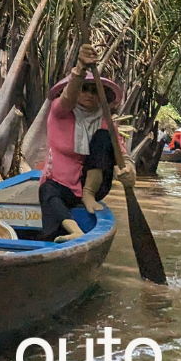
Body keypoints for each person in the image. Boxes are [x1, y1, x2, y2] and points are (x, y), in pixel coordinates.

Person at [38, 43, 136, 241]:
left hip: (94, 185)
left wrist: (129, 172)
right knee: (46, 190)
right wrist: (80, 68)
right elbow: (67, 97)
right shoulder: (60, 111)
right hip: (61, 184)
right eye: (85, 89)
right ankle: (75, 232)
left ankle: (88, 194)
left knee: (102, 137)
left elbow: (123, 155)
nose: (90, 94)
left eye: (94, 90)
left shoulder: (105, 121)